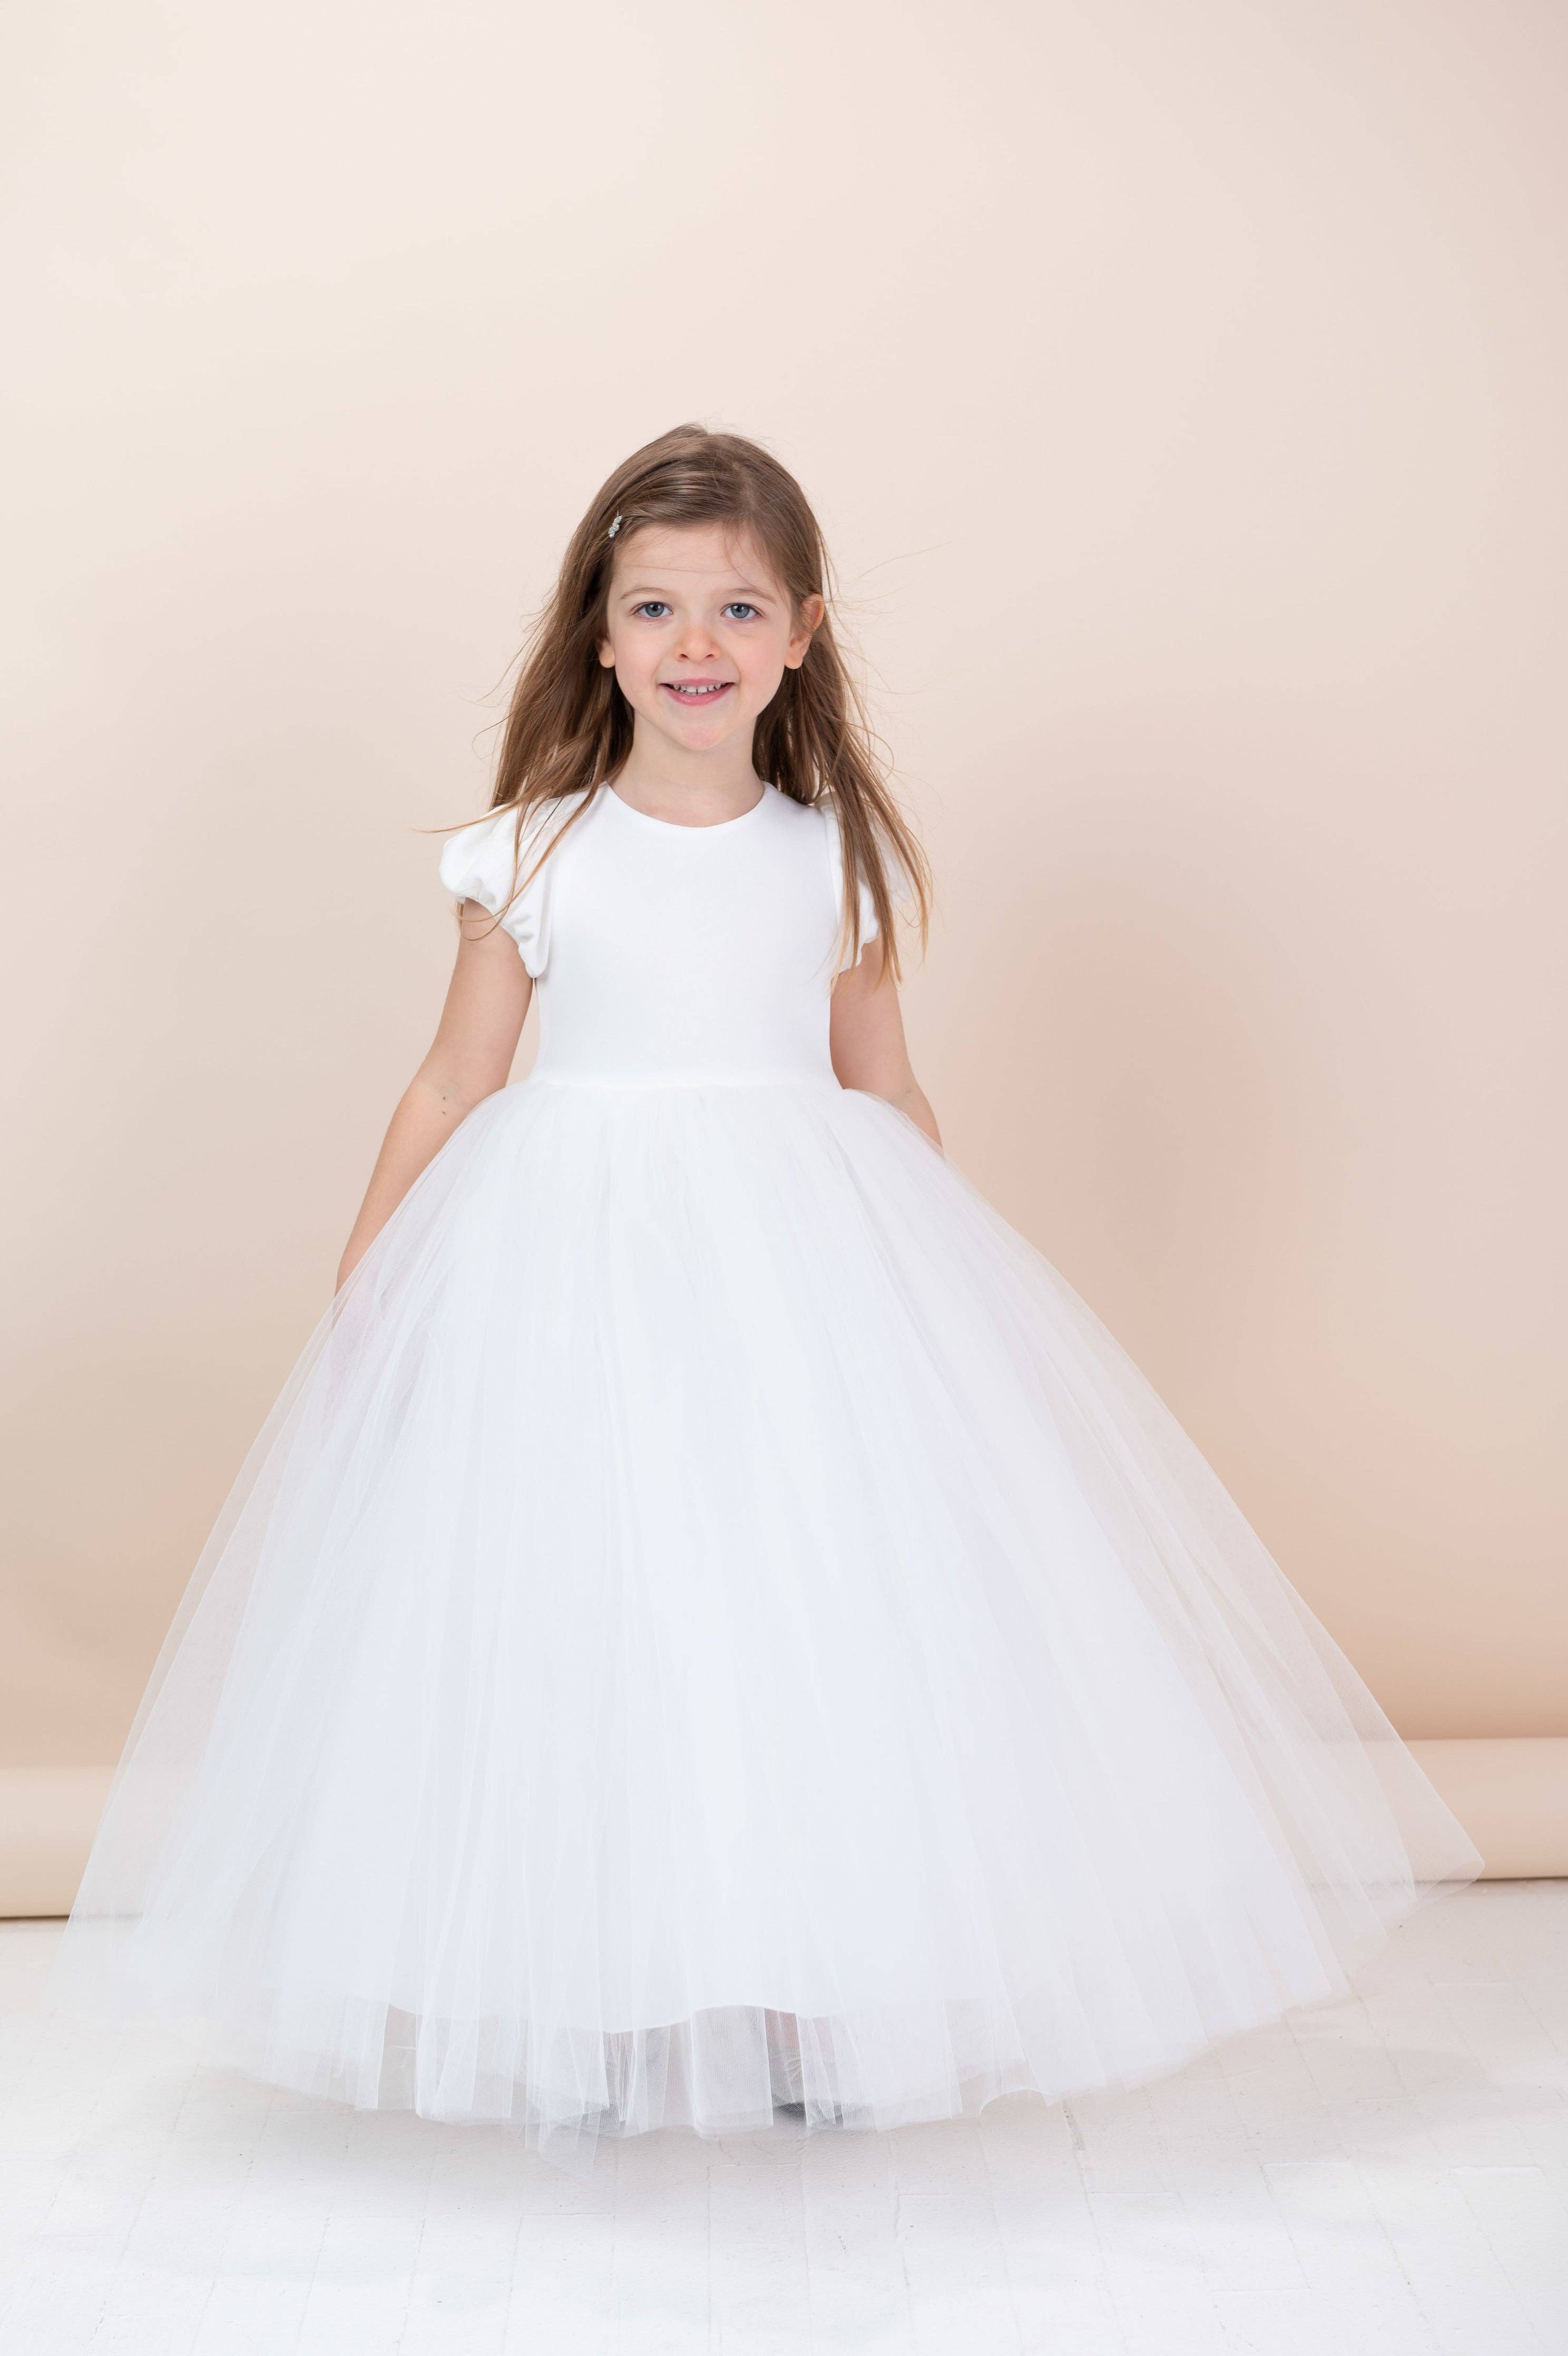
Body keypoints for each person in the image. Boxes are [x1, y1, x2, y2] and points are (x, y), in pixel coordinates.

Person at [54, 423, 1479, 2166]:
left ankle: (814, 1994)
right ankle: (584, 2002)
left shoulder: (833, 859)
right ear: (598, 634)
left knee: (805, 1622)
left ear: (802, 635)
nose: (696, 643)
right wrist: (372, 1273)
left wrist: (940, 1297)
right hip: (568, 1279)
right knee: (590, 1616)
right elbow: (452, 1079)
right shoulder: (530, 854)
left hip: (799, 1278)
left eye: (738, 608)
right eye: (655, 607)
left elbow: (883, 1089)